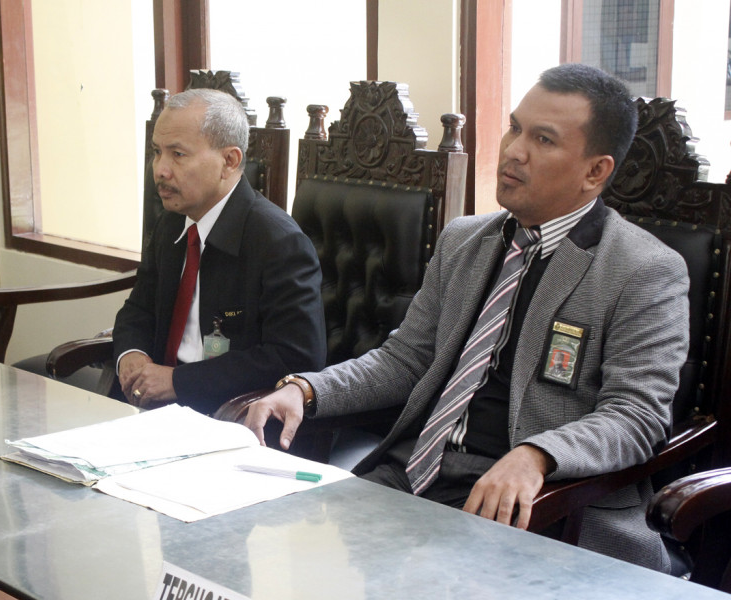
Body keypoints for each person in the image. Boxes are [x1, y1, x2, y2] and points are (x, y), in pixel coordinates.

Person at [243, 63, 690, 572]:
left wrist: (537, 456)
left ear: (595, 171)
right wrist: (305, 389)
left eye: (543, 139)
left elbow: (637, 415)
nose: (514, 150)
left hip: (536, 509)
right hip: (414, 473)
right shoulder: (464, 240)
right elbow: (405, 360)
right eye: (515, 128)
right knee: (275, 558)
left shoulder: (643, 270)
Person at [112, 88, 326, 416]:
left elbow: (295, 357)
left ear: (229, 161)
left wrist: (178, 382)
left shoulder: (279, 242)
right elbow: (138, 309)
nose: (160, 170)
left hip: (231, 414)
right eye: (157, 152)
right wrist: (132, 355)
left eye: (178, 154)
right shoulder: (173, 222)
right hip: (155, 406)